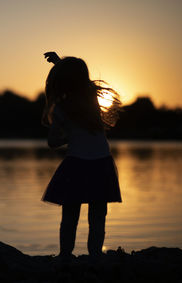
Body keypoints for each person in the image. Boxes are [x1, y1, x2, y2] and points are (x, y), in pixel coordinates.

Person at [41, 52, 122, 261]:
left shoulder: (60, 108)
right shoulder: (92, 98)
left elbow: (52, 142)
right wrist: (61, 64)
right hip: (101, 164)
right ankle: (95, 255)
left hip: (76, 164)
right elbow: (79, 81)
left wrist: (69, 137)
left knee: (70, 216)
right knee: (97, 216)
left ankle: (65, 256)